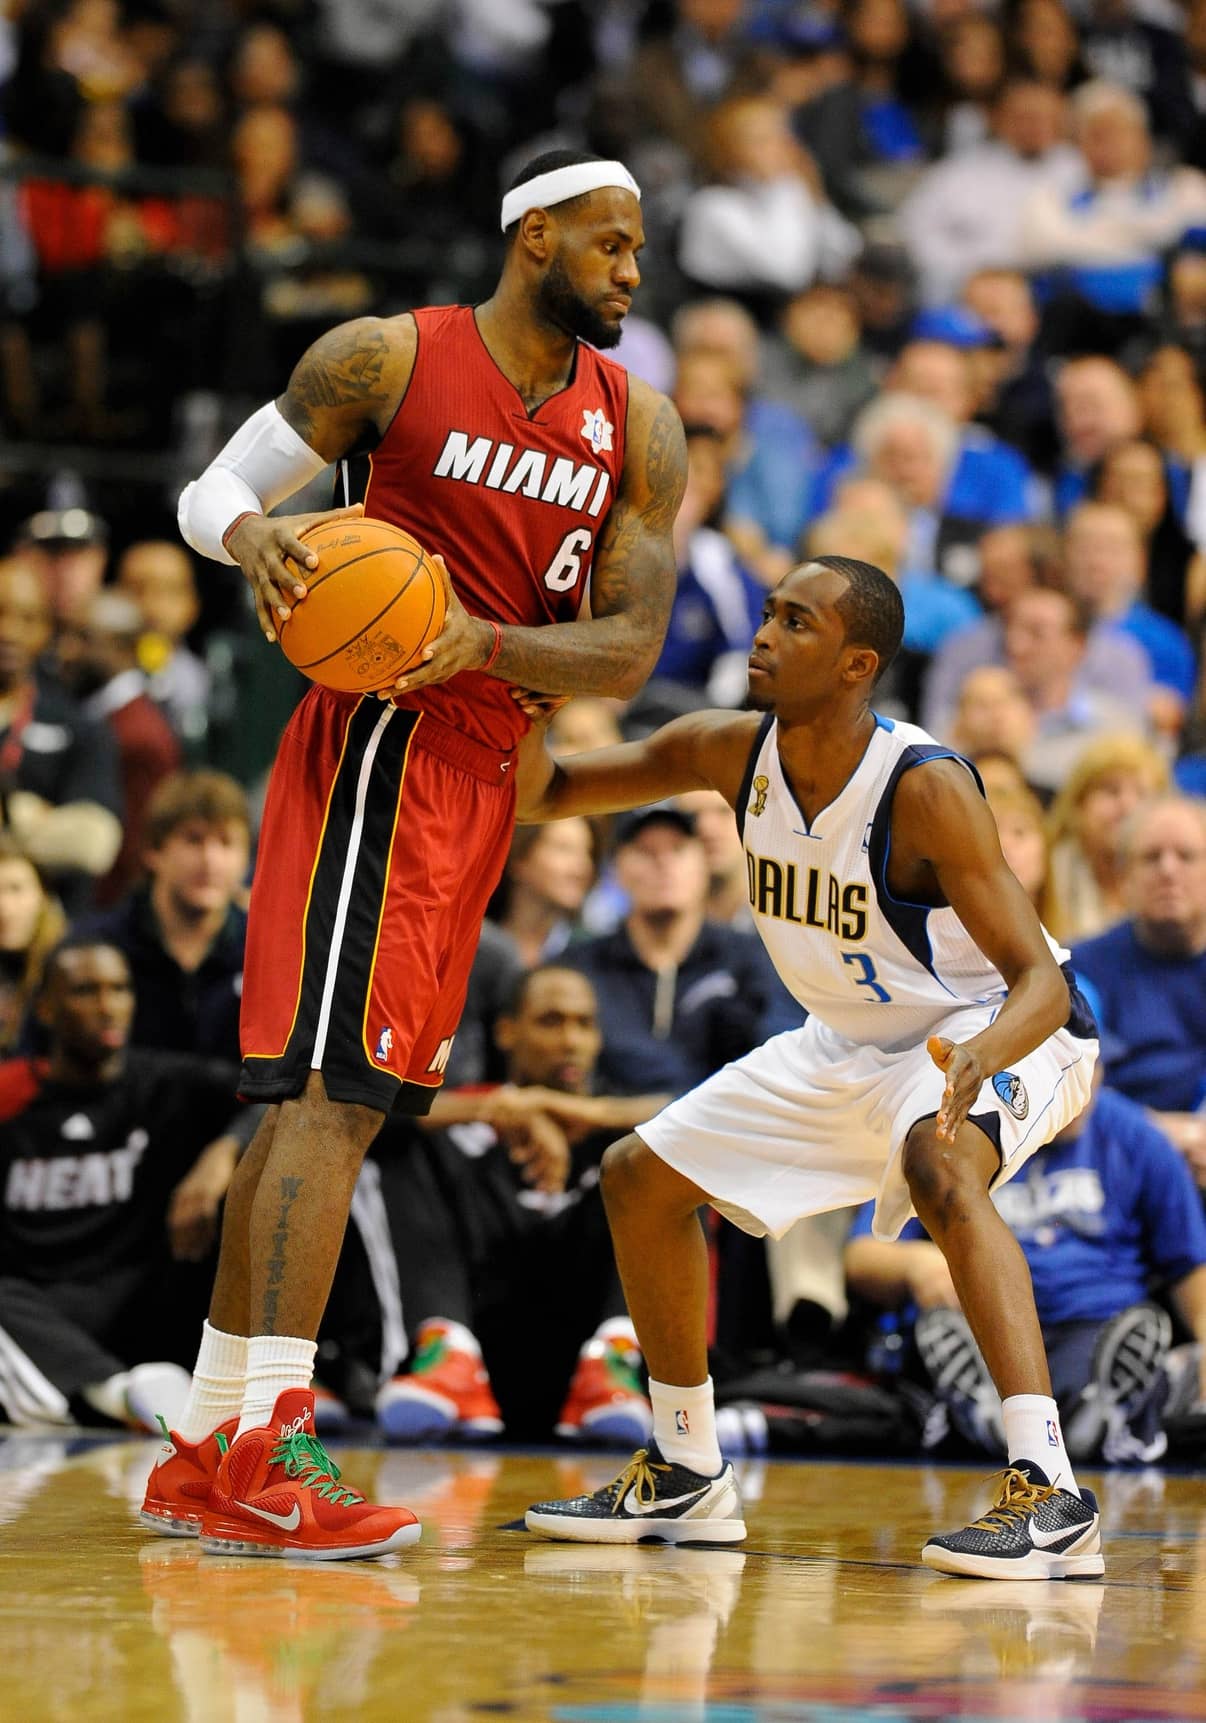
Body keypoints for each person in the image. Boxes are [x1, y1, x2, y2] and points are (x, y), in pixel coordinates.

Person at [143, 147, 684, 1562]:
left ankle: (211, 1441)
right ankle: (269, 1444)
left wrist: (486, 643)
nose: (633, 268)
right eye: (613, 243)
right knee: (328, 1098)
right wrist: (260, 532)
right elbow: (210, 492)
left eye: (640, 248)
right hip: (378, 738)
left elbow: (628, 648)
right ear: (536, 234)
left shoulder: (639, 427)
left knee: (327, 1102)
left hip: (482, 761)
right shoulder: (385, 358)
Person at [516, 554, 1103, 1580]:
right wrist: (525, 687)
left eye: (796, 621)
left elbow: (1040, 983)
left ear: (856, 663)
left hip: (1002, 1025)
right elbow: (547, 796)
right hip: (845, 1039)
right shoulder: (726, 748)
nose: (765, 634)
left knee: (940, 1161)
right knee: (639, 1180)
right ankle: (688, 1466)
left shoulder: (925, 788)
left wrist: (979, 1059)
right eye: (769, 612)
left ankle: (1048, 1487)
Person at [374, 965, 670, 1446]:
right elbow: (374, 1117)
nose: (571, 1041)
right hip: (486, 1342)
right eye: (551, 1022)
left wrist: (571, 1111)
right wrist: (502, 1107)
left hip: (588, 1359)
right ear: (508, 1032)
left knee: (674, 1160)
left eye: (584, 1024)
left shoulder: (619, 1128)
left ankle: (616, 1353)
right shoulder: (469, 1112)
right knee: (407, 1144)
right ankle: (445, 1348)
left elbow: (698, 1108)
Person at [846, 1078, 1206, 1466]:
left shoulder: (1137, 1136)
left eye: (1089, 1067)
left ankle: (1078, 1416)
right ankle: (1041, 1423)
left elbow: (1190, 1265)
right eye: (1062, 1073)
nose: (1081, 1086)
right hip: (983, 1319)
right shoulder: (949, 1132)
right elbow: (861, 1257)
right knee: (945, 1335)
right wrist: (915, 1263)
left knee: (1115, 1355)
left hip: (1091, 1325)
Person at [0, 940, 243, 1434]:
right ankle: (117, 1393)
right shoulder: (12, 1095)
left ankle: (316, 1377)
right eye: (86, 991)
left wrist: (219, 1159)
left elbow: (271, 1095)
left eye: (120, 989)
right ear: (45, 1009)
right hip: (40, 1308)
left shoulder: (164, 1081)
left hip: (144, 1299)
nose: (109, 1005)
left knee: (283, 1184)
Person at [1071, 795, 1206, 1181]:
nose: (1168, 870)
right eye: (1151, 857)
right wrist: (1157, 1136)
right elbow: (1074, 1091)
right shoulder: (1080, 968)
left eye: (1186, 856)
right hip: (1114, 1164)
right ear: (1124, 878)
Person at [0, 558, 123, 915]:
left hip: (47, 933)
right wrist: (36, 818)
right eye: (1, 613)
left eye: (26, 618)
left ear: (47, 631)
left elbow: (92, 843)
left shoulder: (81, 726)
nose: (8, 632)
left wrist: (11, 816)